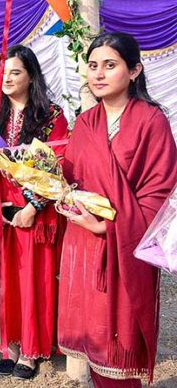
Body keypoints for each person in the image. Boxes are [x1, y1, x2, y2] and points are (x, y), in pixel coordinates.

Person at [57, 32, 176, 388]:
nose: (98, 74)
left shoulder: (151, 122)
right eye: (93, 66)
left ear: (134, 70)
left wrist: (105, 227)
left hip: (125, 247)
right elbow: (71, 176)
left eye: (110, 65)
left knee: (120, 352)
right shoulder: (86, 121)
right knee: (94, 346)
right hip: (85, 248)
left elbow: (158, 195)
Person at [0, 45, 69, 379]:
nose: (7, 79)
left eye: (15, 72)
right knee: (3, 276)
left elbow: (59, 164)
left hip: (34, 211)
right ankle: (8, 341)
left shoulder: (51, 116)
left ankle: (30, 347)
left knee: (32, 277)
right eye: (3, 72)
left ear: (31, 76)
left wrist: (32, 207)